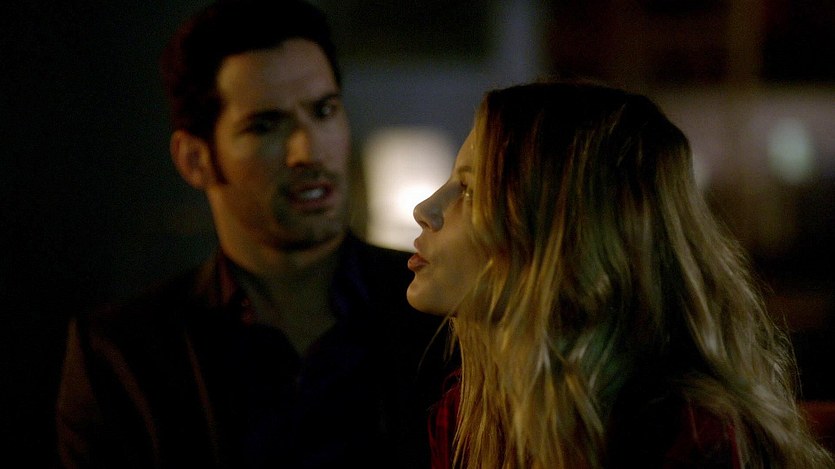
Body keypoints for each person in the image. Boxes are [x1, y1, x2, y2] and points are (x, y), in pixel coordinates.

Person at [55, 1, 452, 468]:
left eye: (324, 111)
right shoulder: (122, 357)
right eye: (266, 125)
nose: (308, 151)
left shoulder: (443, 315)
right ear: (195, 160)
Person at [406, 81, 835, 468]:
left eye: (470, 191)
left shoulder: (686, 437)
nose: (424, 210)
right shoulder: (470, 419)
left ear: (567, 235)